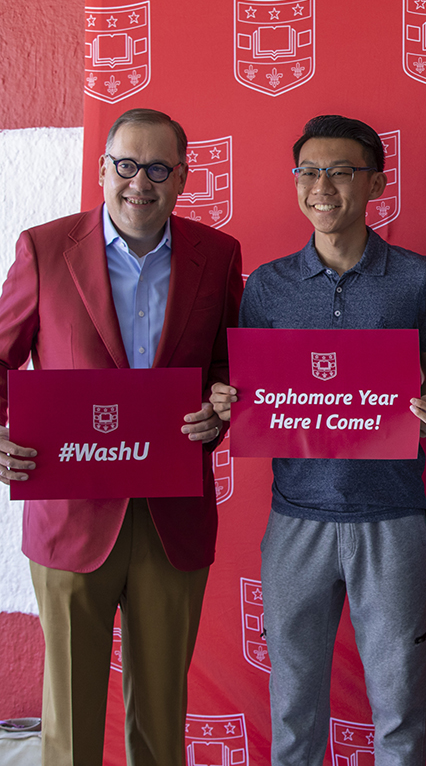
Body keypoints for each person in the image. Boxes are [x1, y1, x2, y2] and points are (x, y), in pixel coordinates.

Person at [0, 108, 242, 766]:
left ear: (183, 177)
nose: (141, 182)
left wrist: (219, 407)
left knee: (161, 721)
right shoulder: (45, 249)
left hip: (171, 512)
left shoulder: (216, 256)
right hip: (70, 514)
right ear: (102, 171)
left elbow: (229, 364)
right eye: (127, 166)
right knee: (70, 722)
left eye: (159, 168)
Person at [209, 115, 426, 765]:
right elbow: (254, 392)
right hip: (296, 519)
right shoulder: (266, 287)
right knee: (293, 705)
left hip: (392, 515)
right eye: (309, 172)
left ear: (375, 183)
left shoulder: (418, 278)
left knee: (401, 705)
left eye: (341, 172)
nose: (323, 186)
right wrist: (229, 400)